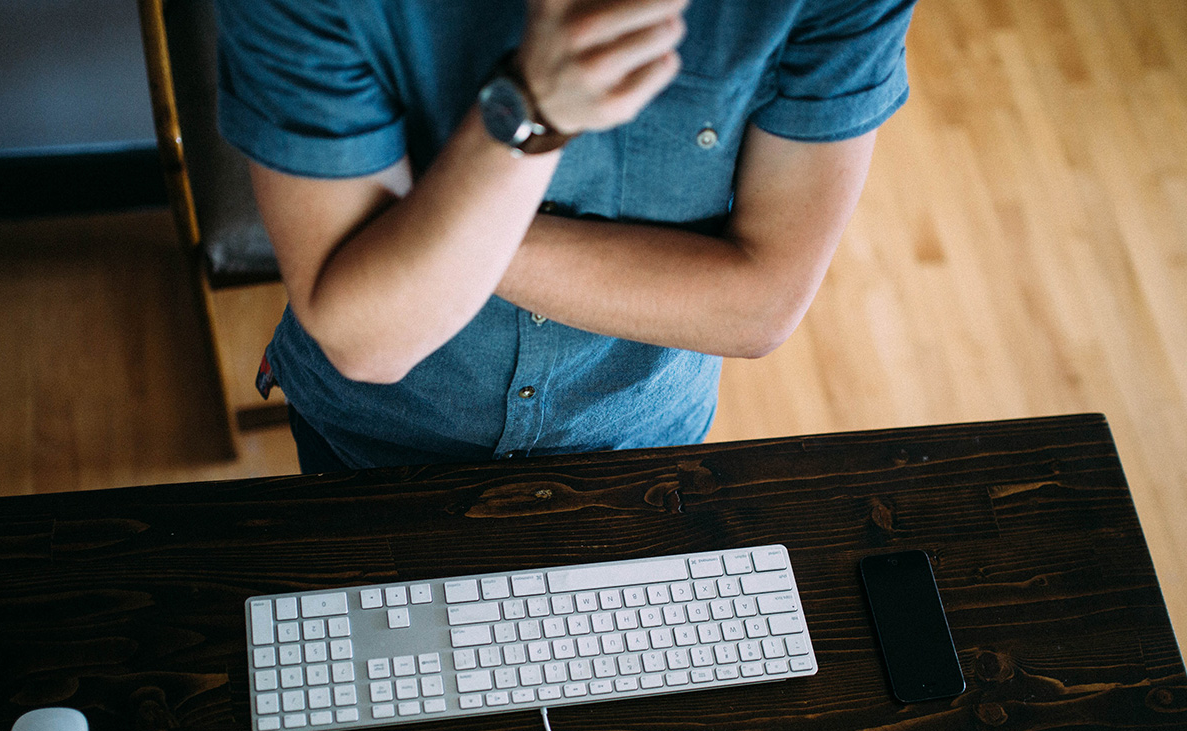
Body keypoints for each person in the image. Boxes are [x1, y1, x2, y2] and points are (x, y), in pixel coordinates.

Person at [216, 0, 916, 472]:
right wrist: (532, 111)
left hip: (643, 442)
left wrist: (432, 240)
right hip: (375, 445)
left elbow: (760, 305)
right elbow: (370, 339)